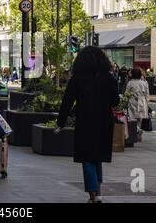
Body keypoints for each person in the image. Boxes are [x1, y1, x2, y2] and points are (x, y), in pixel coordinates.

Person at [56, 46, 120, 203]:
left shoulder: (77, 78)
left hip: (85, 121)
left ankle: (93, 195)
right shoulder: (109, 77)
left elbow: (67, 102)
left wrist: (61, 122)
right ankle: (98, 193)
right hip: (104, 121)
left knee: (87, 158)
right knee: (97, 157)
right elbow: (115, 101)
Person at [125, 68, 150, 142]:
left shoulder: (130, 83)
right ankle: (138, 132)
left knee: (132, 118)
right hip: (142, 101)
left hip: (133, 101)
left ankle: (137, 130)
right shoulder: (144, 83)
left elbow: (126, 93)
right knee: (140, 119)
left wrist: (125, 102)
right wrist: (147, 103)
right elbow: (147, 94)